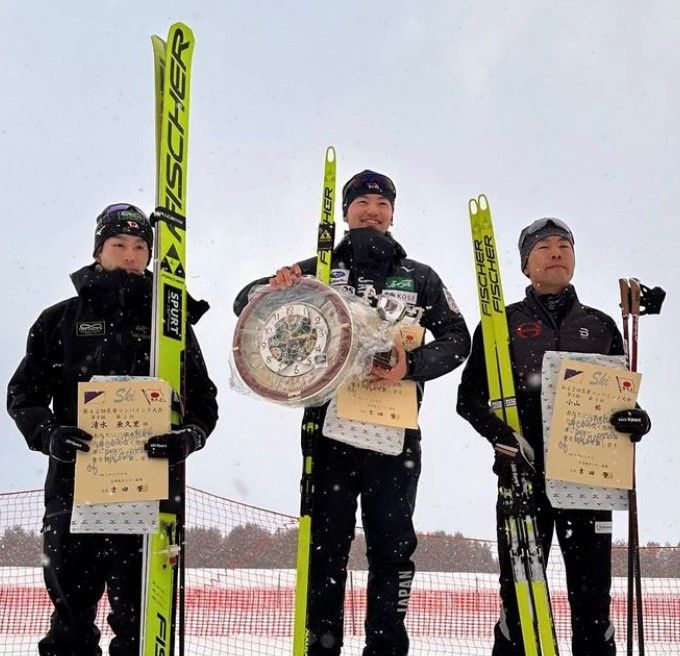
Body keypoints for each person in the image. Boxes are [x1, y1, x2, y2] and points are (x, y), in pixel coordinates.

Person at [233, 170, 471, 656]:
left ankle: (386, 648)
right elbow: (246, 303)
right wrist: (273, 284)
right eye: (361, 202)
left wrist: (412, 365)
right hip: (328, 434)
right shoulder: (317, 268)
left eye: (382, 204)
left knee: (393, 550)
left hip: (394, 436)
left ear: (393, 214)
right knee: (324, 550)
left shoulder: (418, 276)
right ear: (345, 213)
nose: (372, 211)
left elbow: (458, 339)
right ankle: (321, 647)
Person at [7, 203, 218, 656]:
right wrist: (50, 435)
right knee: (70, 624)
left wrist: (189, 437)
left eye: (140, 246)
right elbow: (22, 395)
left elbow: (205, 403)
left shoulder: (171, 325)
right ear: (98, 250)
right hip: (75, 493)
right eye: (118, 245)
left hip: (150, 496)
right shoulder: (60, 320)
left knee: (142, 626)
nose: (130, 255)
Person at [456, 217, 652, 656]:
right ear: (527, 264)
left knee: (593, 603)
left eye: (564, 245)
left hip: (588, 484)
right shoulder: (499, 324)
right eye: (544, 247)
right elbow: (468, 399)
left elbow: (620, 399)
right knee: (521, 599)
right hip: (521, 477)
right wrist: (500, 436)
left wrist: (637, 420)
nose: (556, 253)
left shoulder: (600, 326)